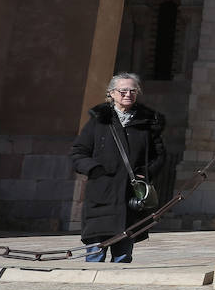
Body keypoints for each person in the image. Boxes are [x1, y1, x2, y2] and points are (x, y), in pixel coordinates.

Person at [69, 73, 166, 263]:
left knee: (123, 256)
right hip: (101, 195)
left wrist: (145, 174)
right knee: (95, 255)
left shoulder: (146, 123)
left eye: (133, 91)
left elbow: (160, 155)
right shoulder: (99, 120)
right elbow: (78, 153)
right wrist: (96, 170)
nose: (128, 94)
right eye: (123, 91)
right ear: (112, 93)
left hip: (129, 198)